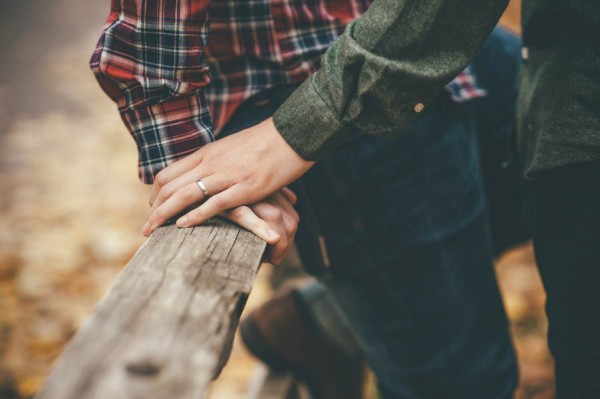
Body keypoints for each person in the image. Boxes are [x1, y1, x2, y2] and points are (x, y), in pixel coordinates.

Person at [111, 1, 599, 397]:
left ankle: (331, 319)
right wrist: (197, 169)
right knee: (461, 381)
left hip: (450, 41)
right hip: (316, 89)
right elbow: (150, 30)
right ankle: (344, 320)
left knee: (558, 181)